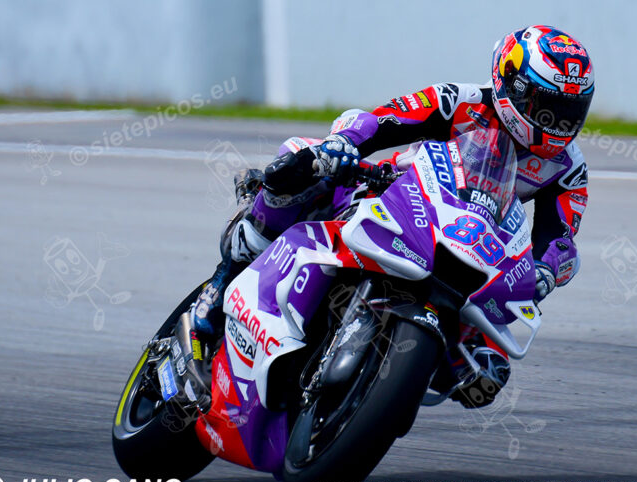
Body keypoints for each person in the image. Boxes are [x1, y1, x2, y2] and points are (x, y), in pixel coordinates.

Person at [192, 25, 594, 390]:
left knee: (488, 373)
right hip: (398, 194)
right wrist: (344, 145)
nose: (557, 122)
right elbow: (384, 120)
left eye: (570, 112)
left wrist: (545, 270)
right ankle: (222, 279)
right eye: (546, 104)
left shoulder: (569, 168)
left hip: (471, 242)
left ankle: (400, 371)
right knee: (300, 164)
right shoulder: (460, 101)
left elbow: (559, 237)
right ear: (511, 81)